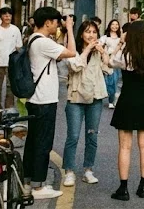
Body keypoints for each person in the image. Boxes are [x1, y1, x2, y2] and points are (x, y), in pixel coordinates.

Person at [24, 7, 77, 200]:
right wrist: (70, 28)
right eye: (56, 22)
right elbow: (71, 52)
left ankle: (28, 183)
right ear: (47, 23)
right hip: (44, 100)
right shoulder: (43, 43)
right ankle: (39, 187)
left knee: (32, 142)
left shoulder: (33, 39)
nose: (58, 25)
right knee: (43, 143)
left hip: (35, 99)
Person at [109, 21, 144, 201]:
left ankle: (123, 188)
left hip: (128, 100)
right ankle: (143, 186)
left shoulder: (125, 55)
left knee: (125, 146)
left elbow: (109, 61)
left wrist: (120, 43)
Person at [62, 20, 113, 187]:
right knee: (73, 136)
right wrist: (88, 49)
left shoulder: (98, 51)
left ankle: (88, 170)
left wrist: (103, 51)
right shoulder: (73, 50)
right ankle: (69, 171)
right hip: (76, 98)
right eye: (87, 32)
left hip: (95, 98)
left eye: (94, 32)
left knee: (92, 135)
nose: (91, 35)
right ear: (81, 34)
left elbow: (109, 68)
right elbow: (75, 66)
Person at [0, 6, 22, 111]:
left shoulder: (15, 30)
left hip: (11, 64)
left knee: (10, 87)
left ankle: (9, 108)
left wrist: (19, 62)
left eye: (9, 14)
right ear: (1, 17)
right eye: (5, 14)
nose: (7, 17)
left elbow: (18, 47)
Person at [100, 19, 123, 108]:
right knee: (111, 81)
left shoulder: (120, 38)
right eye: (113, 24)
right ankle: (111, 100)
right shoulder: (105, 37)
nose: (115, 26)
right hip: (109, 61)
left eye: (116, 24)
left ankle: (116, 100)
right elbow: (99, 45)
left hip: (119, 61)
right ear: (109, 26)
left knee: (118, 81)